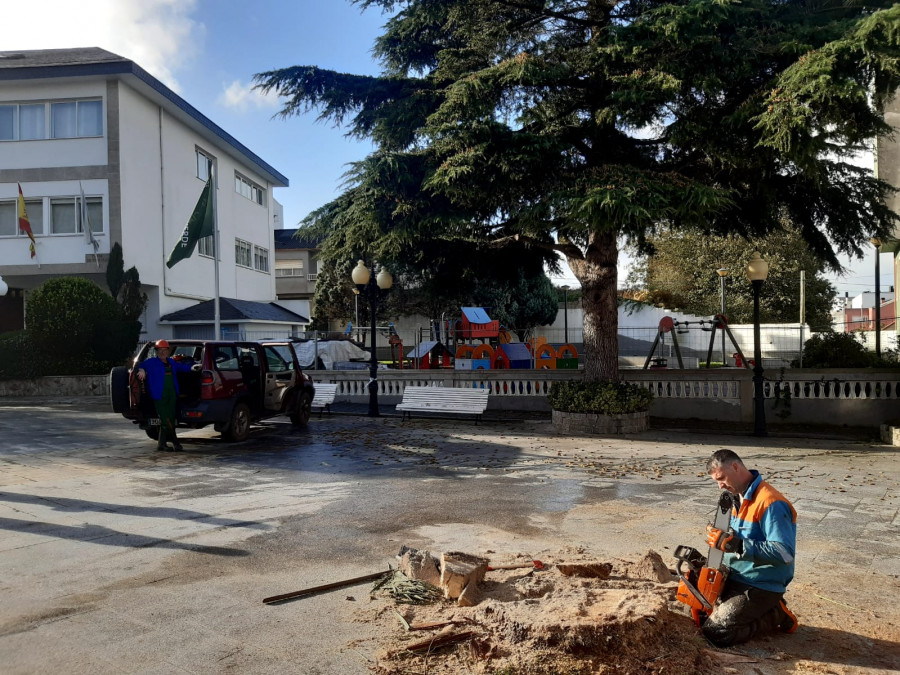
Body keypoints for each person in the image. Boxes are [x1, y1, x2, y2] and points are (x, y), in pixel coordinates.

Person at [702, 448, 799, 647]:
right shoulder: (736, 496)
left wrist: (737, 545)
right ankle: (763, 608)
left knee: (716, 632)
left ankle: (775, 614)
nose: (720, 486)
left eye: (721, 478)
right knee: (699, 612)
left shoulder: (771, 503)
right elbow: (745, 535)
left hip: (761, 583)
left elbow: (785, 553)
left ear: (735, 467)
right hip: (739, 574)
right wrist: (723, 537)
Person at [136, 339, 193, 451]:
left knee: (170, 418)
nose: (163, 352)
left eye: (165, 350)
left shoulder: (171, 362)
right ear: (157, 351)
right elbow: (139, 364)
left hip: (171, 394)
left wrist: (193, 367)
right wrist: (141, 369)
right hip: (159, 395)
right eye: (160, 350)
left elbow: (182, 367)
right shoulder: (151, 362)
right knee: (166, 419)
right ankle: (176, 443)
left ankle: (161, 445)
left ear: (168, 351)